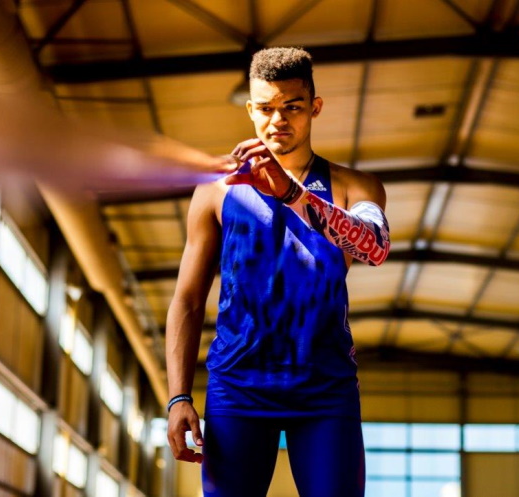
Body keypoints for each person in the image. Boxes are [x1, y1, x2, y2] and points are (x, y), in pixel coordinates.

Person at [165, 46, 390, 497]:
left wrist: (292, 193)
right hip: (238, 385)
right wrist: (178, 396)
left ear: (315, 107)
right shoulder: (215, 191)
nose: (278, 120)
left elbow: (374, 246)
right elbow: (187, 299)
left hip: (324, 387)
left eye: (293, 107)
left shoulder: (354, 185)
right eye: (266, 108)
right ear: (250, 110)